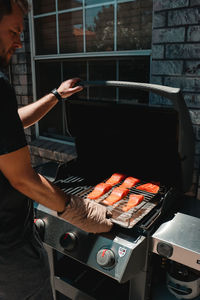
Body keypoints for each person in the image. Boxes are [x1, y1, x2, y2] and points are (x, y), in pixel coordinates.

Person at [0, 1, 113, 299]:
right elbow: (22, 179)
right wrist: (80, 210)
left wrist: (55, 96)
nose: (19, 41)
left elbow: (9, 125)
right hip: (8, 251)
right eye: (13, 30)